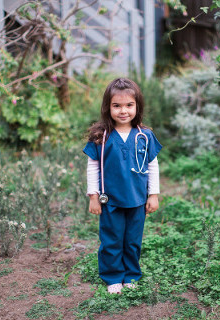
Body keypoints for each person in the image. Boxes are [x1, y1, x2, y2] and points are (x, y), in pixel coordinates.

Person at [83, 78, 162, 294]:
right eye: (116, 105)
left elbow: (152, 166)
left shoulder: (144, 136)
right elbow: (93, 167)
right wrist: (93, 196)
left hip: (137, 199)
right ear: (107, 107)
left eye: (129, 105)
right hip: (111, 201)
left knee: (132, 241)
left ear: (138, 107)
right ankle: (113, 277)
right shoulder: (101, 137)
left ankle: (131, 276)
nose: (123, 111)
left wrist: (153, 195)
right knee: (111, 241)